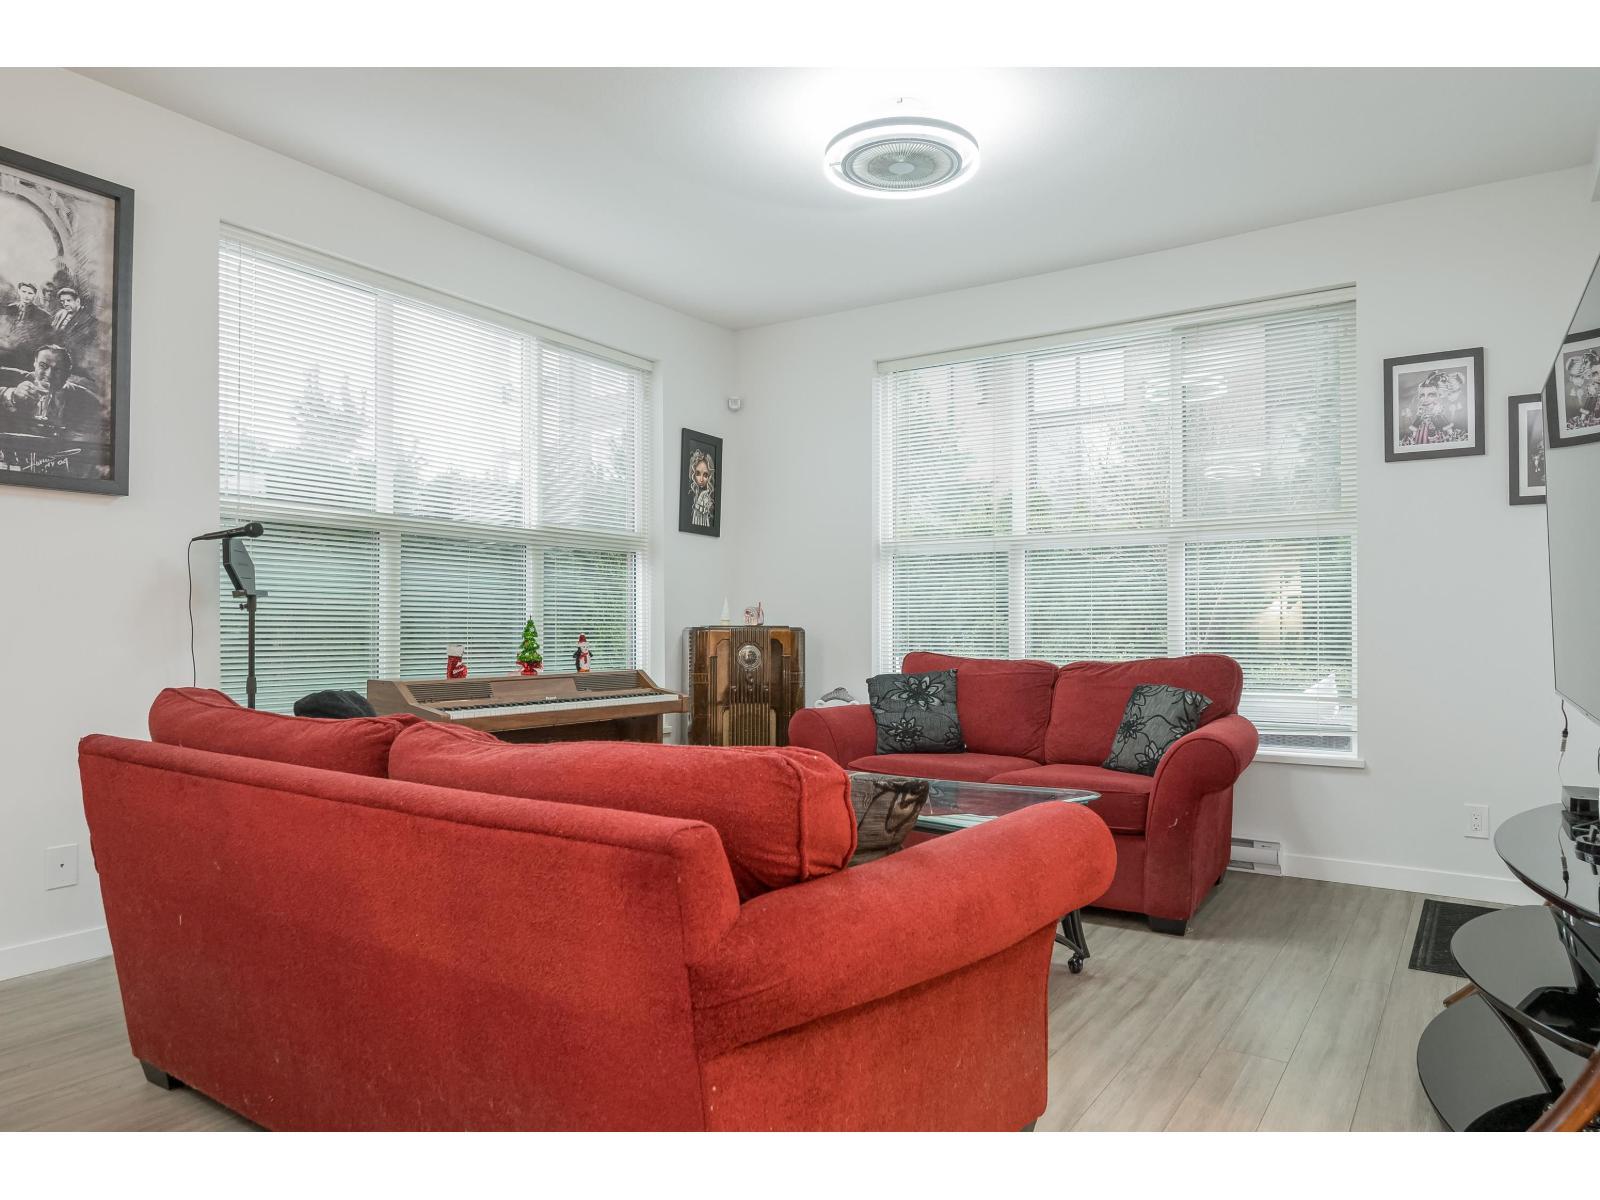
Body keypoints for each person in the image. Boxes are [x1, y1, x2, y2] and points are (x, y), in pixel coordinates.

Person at [0, 344, 103, 438]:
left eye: (58, 369)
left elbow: (92, 434)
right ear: (35, 364)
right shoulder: (11, 377)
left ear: (68, 372)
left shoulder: (87, 399)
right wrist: (12, 394)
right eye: (43, 366)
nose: (49, 375)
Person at [4, 283, 52, 355]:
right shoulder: (9, 309)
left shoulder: (43, 315)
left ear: (34, 295)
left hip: (27, 352)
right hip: (6, 347)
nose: (26, 296)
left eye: (30, 293)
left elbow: (45, 339)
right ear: (19, 291)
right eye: (23, 292)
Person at [688, 447, 715, 527]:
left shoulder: (707, 496)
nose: (701, 479)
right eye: (698, 474)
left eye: (705, 475)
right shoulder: (690, 494)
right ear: (693, 474)